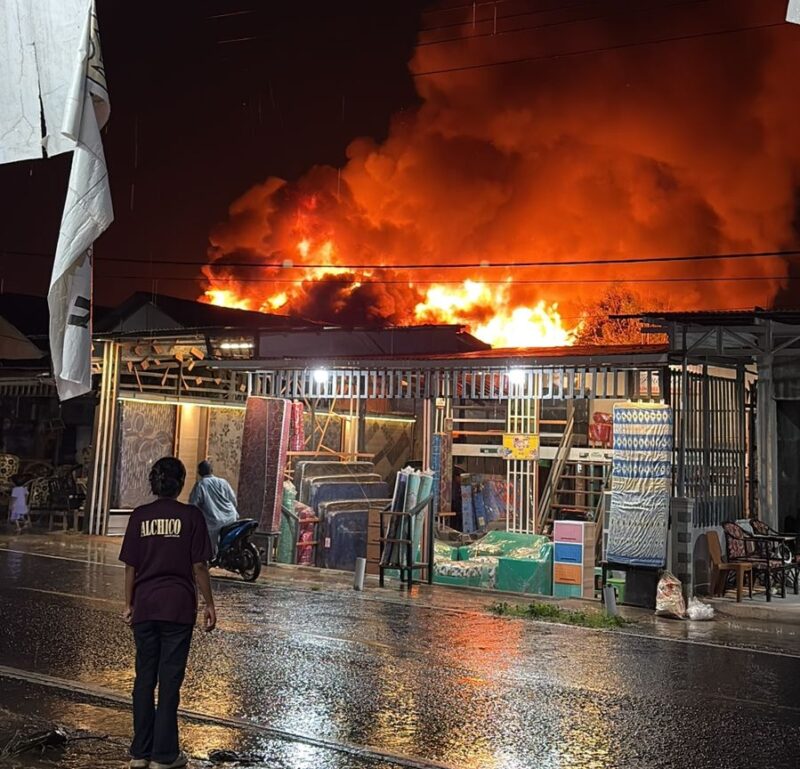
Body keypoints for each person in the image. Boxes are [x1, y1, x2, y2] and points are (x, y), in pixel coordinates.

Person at [120, 457, 216, 769]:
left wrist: (128, 602)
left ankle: (140, 753)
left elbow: (131, 566)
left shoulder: (140, 516)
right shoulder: (191, 517)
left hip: (145, 606)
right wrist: (209, 604)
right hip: (177, 608)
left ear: (154, 482)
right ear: (181, 483)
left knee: (144, 679)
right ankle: (164, 756)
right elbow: (199, 566)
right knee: (169, 681)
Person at [188, 460, 238, 558]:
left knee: (209, 548)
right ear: (212, 470)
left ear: (199, 472)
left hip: (214, 522)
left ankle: (210, 558)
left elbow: (193, 505)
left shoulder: (201, 484)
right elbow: (233, 501)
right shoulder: (223, 482)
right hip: (231, 518)